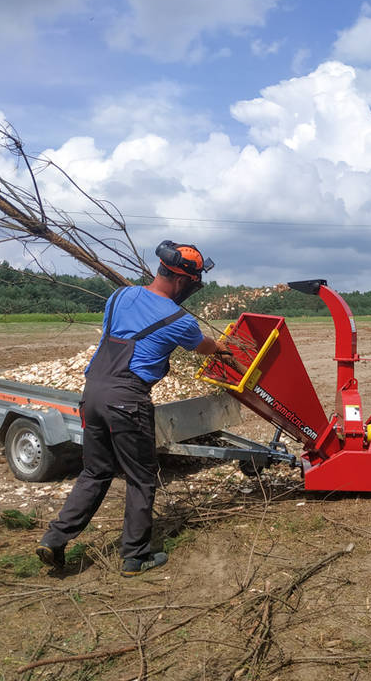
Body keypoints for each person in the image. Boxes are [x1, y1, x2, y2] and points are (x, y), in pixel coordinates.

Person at [36, 240, 229, 576]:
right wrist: (222, 347)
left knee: (95, 472)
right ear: (182, 281)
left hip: (93, 393)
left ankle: (53, 539)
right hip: (127, 399)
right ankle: (135, 557)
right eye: (193, 284)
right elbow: (204, 347)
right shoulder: (179, 320)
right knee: (141, 477)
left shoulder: (120, 296)